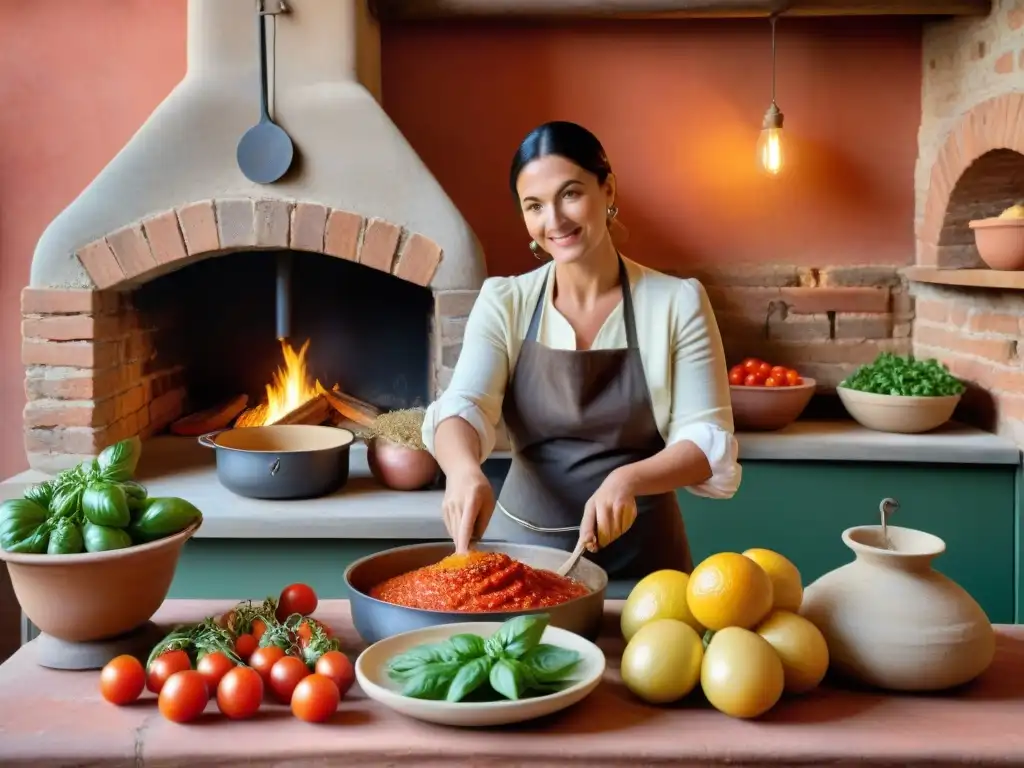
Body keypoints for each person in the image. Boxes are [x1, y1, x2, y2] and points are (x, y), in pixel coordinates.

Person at [421, 120, 741, 581]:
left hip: (646, 567)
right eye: (534, 206)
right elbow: (464, 405)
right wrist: (462, 469)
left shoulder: (677, 302)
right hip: (522, 559)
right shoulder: (506, 301)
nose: (555, 221)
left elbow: (707, 440)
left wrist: (628, 479)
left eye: (570, 194)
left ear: (608, 189)